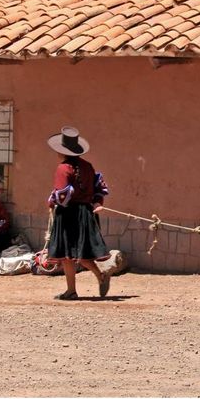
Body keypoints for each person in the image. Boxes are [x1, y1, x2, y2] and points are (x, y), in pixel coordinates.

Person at [45, 126, 112, 300]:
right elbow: (98, 188)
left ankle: (72, 290)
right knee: (81, 253)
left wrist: (51, 201)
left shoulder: (63, 169)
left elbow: (62, 194)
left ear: (61, 150)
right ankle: (100, 276)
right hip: (85, 213)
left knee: (68, 254)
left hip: (68, 215)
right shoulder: (88, 167)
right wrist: (96, 202)